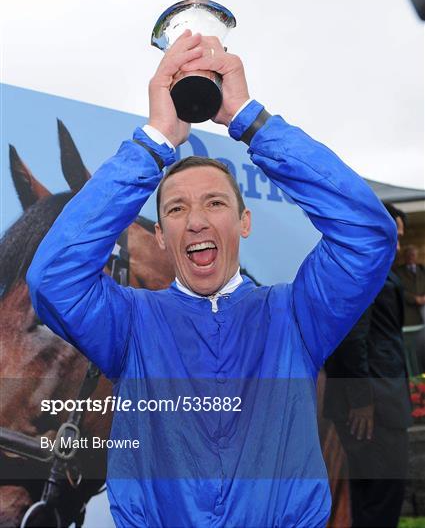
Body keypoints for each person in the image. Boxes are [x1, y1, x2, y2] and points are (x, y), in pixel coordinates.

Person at [26, 31, 397, 527]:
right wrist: (155, 139)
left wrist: (247, 118)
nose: (196, 221)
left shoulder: (296, 316)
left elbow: (367, 236)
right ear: (161, 236)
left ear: (244, 224)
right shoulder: (131, 323)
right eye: (177, 208)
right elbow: (53, 278)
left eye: (215, 203)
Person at [323, 203, 413, 528]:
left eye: (400, 238)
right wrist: (362, 402)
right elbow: (350, 340)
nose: (398, 246)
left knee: (372, 503)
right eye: (394, 235)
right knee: (380, 503)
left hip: (378, 405)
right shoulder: (363, 270)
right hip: (373, 412)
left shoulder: (369, 267)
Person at [397, 244, 425, 326]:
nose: (410, 257)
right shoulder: (398, 272)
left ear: (416, 256)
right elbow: (399, 289)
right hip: (408, 310)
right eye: (408, 255)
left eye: (413, 255)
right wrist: (414, 299)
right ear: (404, 257)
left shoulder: (422, 269)